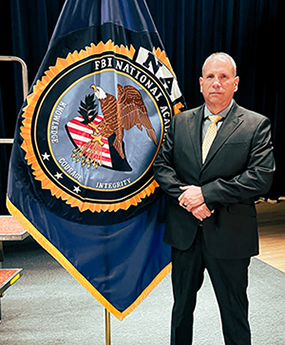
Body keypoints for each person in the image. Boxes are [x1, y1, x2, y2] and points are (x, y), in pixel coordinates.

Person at [153, 52, 275, 345]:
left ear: (235, 83)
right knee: (181, 310)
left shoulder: (256, 125)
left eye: (223, 77)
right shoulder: (179, 123)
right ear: (200, 83)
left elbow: (261, 177)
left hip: (230, 235)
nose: (216, 83)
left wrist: (206, 195)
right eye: (210, 77)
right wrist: (188, 200)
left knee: (234, 313)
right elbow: (161, 166)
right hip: (185, 235)